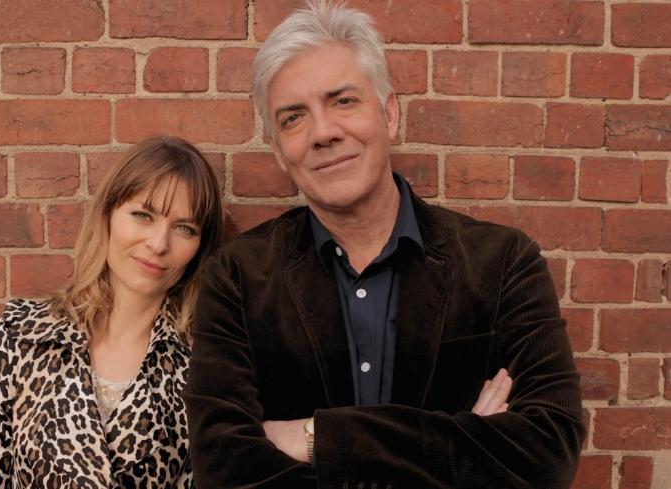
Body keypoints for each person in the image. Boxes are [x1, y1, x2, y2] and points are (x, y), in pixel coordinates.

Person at [185, 2, 584, 488]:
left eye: (343, 101)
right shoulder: (238, 276)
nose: (323, 132)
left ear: (389, 114)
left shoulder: (502, 264)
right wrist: (463, 443)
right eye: (293, 118)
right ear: (278, 152)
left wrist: (319, 438)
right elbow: (222, 468)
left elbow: (547, 452)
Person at [0, 136, 223, 488]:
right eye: (142, 215)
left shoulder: (202, 362)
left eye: (184, 228)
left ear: (200, 247)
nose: (159, 243)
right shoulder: (22, 334)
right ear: (107, 215)